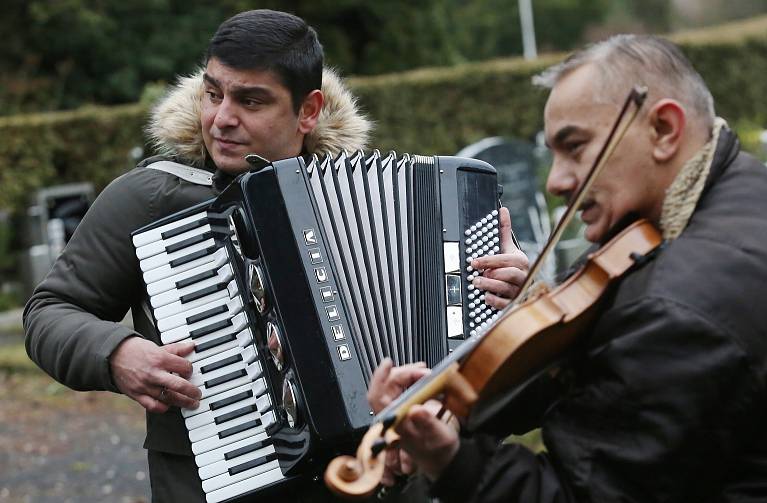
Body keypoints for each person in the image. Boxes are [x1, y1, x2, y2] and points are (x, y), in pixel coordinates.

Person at [23, 8, 528, 502]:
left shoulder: (387, 197)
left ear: (308, 111)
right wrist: (115, 353)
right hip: (214, 482)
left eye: (251, 101)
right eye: (214, 93)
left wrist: (515, 307)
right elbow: (50, 312)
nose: (222, 118)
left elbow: (495, 390)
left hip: (369, 482)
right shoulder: (152, 198)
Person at [367, 34, 767, 502]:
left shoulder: (683, 307)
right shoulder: (740, 189)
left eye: (575, 147)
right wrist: (518, 329)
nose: (556, 181)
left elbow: (579, 493)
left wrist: (450, 462)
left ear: (664, 129)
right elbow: (616, 361)